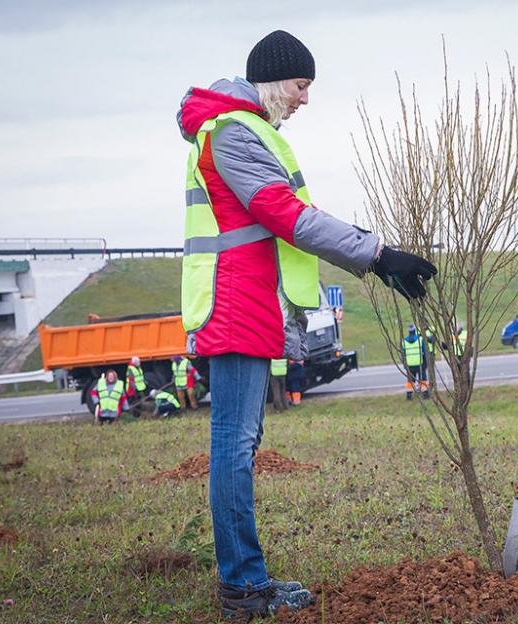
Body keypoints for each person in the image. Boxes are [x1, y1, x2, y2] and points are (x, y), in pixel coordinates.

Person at [176, 29, 436, 619]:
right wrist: (377, 254)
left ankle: (245, 579)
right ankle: (243, 587)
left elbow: (287, 218)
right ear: (272, 81)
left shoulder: (241, 128)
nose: (305, 99)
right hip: (235, 304)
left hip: (249, 302)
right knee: (234, 446)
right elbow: (286, 214)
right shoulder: (233, 133)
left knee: (240, 444)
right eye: (301, 85)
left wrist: (371, 253)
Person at [401, 324, 427, 400]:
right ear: (415, 331)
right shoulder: (420, 339)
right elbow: (424, 352)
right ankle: (425, 394)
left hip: (409, 365)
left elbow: (403, 354)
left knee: (410, 381)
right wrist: (425, 362)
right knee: (423, 379)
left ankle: (409, 395)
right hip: (419, 363)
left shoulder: (404, 341)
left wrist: (404, 364)